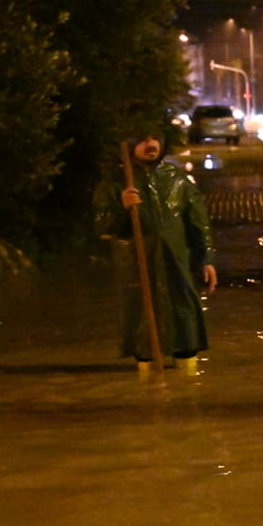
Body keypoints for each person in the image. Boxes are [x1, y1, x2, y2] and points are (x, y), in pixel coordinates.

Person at [94, 132, 216, 375]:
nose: (151, 145)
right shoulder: (115, 183)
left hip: (177, 265)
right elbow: (101, 227)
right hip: (137, 268)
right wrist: (122, 207)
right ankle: (148, 386)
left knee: (184, 324)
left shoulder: (176, 179)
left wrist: (206, 260)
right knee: (143, 330)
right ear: (129, 146)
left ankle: (187, 389)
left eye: (155, 139)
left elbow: (198, 223)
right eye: (143, 140)